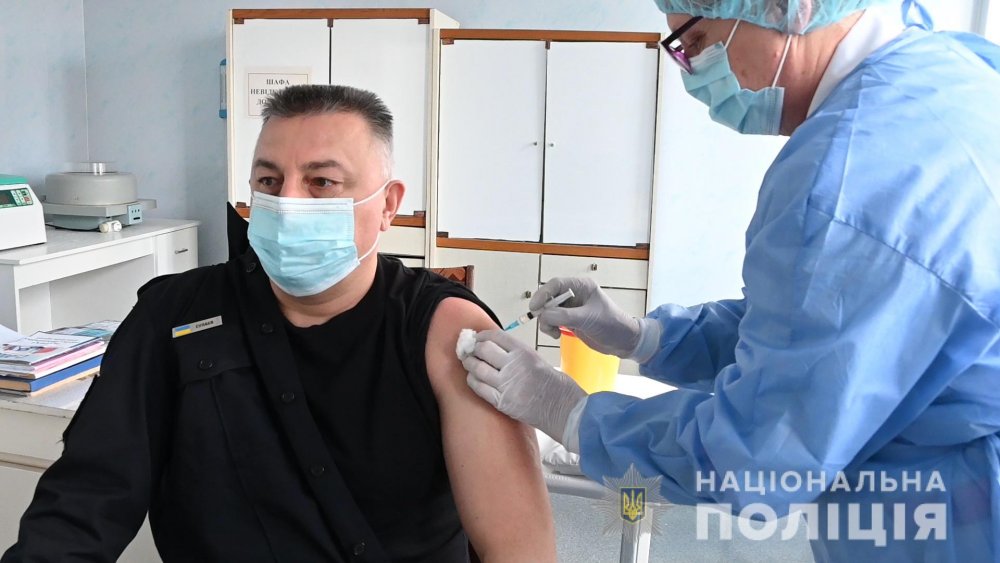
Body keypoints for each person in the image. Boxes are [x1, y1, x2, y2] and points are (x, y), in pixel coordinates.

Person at [463, 1, 1000, 560]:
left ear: (786, 8)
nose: (692, 72)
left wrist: (572, 414)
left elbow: (756, 455)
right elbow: (812, 331)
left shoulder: (845, 181)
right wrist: (641, 337)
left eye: (694, 43)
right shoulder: (948, 71)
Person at [3, 85, 556, 562]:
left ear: (388, 205)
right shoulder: (173, 315)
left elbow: (518, 548)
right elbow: (85, 499)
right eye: (269, 181)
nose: (288, 202)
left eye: (322, 182)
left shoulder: (443, 330)